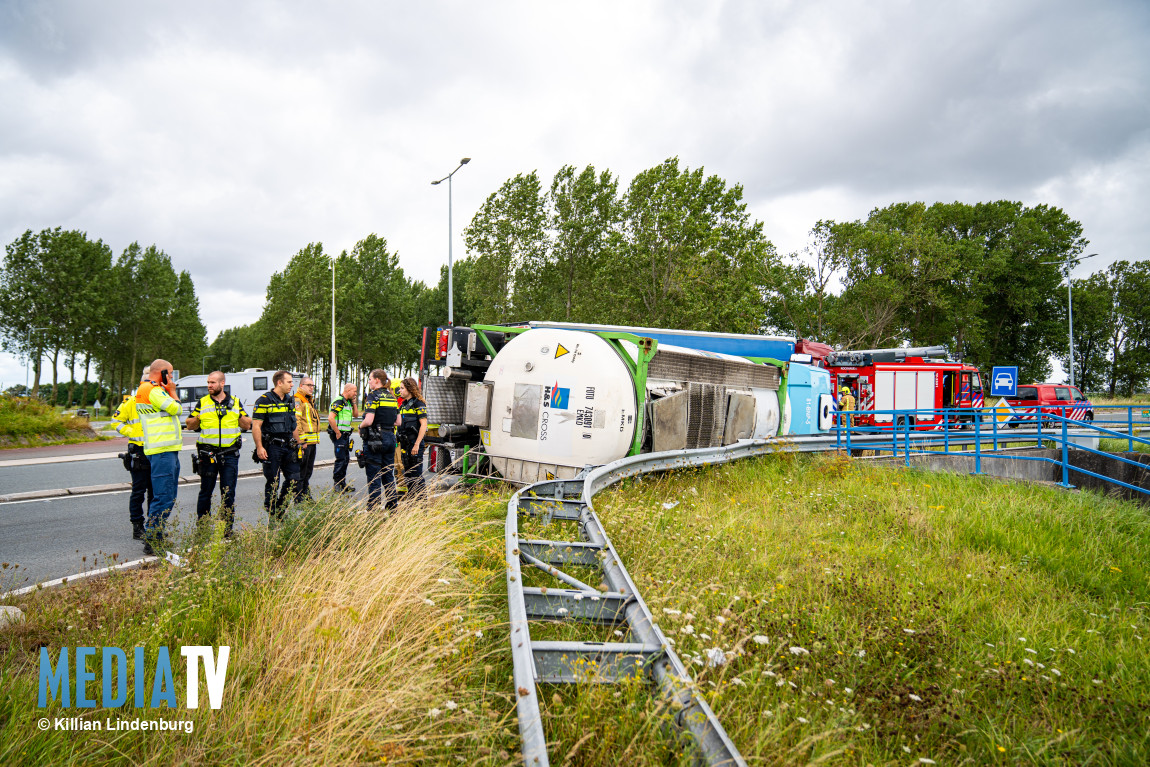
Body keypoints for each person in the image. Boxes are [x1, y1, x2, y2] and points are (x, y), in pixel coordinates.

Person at [186, 370, 251, 536]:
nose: (209, 385)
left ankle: (227, 529)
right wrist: (198, 418)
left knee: (228, 492)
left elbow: (247, 424)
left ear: (222, 384)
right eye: (208, 382)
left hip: (229, 454)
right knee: (205, 492)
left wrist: (238, 416)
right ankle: (202, 528)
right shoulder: (202, 402)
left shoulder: (235, 402)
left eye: (213, 382)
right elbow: (189, 425)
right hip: (208, 455)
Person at [135, 359, 183, 555]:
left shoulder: (147, 389)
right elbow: (177, 409)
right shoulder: (153, 390)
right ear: (162, 373)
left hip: (164, 449)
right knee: (164, 496)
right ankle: (152, 538)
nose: (171, 378)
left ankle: (156, 534)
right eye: (170, 374)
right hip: (162, 450)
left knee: (166, 495)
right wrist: (172, 391)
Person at [252, 370, 304, 517]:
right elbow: (256, 426)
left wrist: (299, 443)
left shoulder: (290, 400)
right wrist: (259, 447)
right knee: (273, 482)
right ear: (279, 382)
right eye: (289, 382)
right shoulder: (264, 400)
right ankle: (273, 511)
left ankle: (280, 508)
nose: (292, 385)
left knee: (294, 479)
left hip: (289, 446)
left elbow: (293, 425)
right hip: (272, 447)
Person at [112, 365, 153, 540]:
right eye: (145, 378)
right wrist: (132, 432)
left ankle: (153, 526)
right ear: (140, 380)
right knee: (138, 491)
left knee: (155, 492)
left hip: (157, 450)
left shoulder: (157, 400)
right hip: (138, 450)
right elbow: (115, 421)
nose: (148, 382)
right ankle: (137, 527)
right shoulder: (131, 401)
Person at [359, 369, 400, 511]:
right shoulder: (392, 397)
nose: (369, 382)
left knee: (374, 474)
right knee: (388, 473)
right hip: (390, 437)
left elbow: (369, 420)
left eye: (370, 379)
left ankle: (374, 507)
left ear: (377, 380)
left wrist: (360, 425)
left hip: (375, 438)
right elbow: (398, 422)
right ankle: (392, 505)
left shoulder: (373, 396)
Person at [397, 377, 429, 499]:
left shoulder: (418, 404)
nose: (399, 390)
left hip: (415, 444)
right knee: (408, 475)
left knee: (416, 475)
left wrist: (416, 444)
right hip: (405, 445)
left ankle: (422, 503)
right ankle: (411, 502)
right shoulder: (404, 405)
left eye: (402, 388)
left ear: (409, 389)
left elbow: (423, 425)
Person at [293, 377, 322, 498]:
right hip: (305, 443)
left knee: (308, 471)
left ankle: (305, 494)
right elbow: (297, 421)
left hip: (312, 442)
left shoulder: (308, 400)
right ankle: (299, 497)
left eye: (312, 385)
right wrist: (301, 440)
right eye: (308, 385)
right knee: (302, 471)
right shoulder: (298, 399)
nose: (311, 387)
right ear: (301, 385)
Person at [328, 382, 359, 493]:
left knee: (345, 459)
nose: (356, 393)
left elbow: (356, 415)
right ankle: (337, 484)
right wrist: (337, 432)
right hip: (339, 434)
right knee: (340, 459)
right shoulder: (339, 401)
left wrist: (354, 403)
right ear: (347, 391)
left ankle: (343, 483)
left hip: (345, 434)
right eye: (354, 391)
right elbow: (331, 418)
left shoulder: (348, 402)